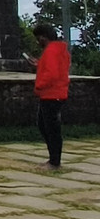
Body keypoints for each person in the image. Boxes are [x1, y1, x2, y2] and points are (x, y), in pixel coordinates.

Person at [24, 23, 70, 170]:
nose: (38, 42)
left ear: (44, 37)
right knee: (46, 126)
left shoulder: (50, 51)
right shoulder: (59, 50)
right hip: (56, 93)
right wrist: (39, 64)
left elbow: (52, 74)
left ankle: (54, 162)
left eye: (39, 39)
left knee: (51, 129)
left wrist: (39, 86)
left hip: (51, 94)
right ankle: (53, 159)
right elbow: (56, 68)